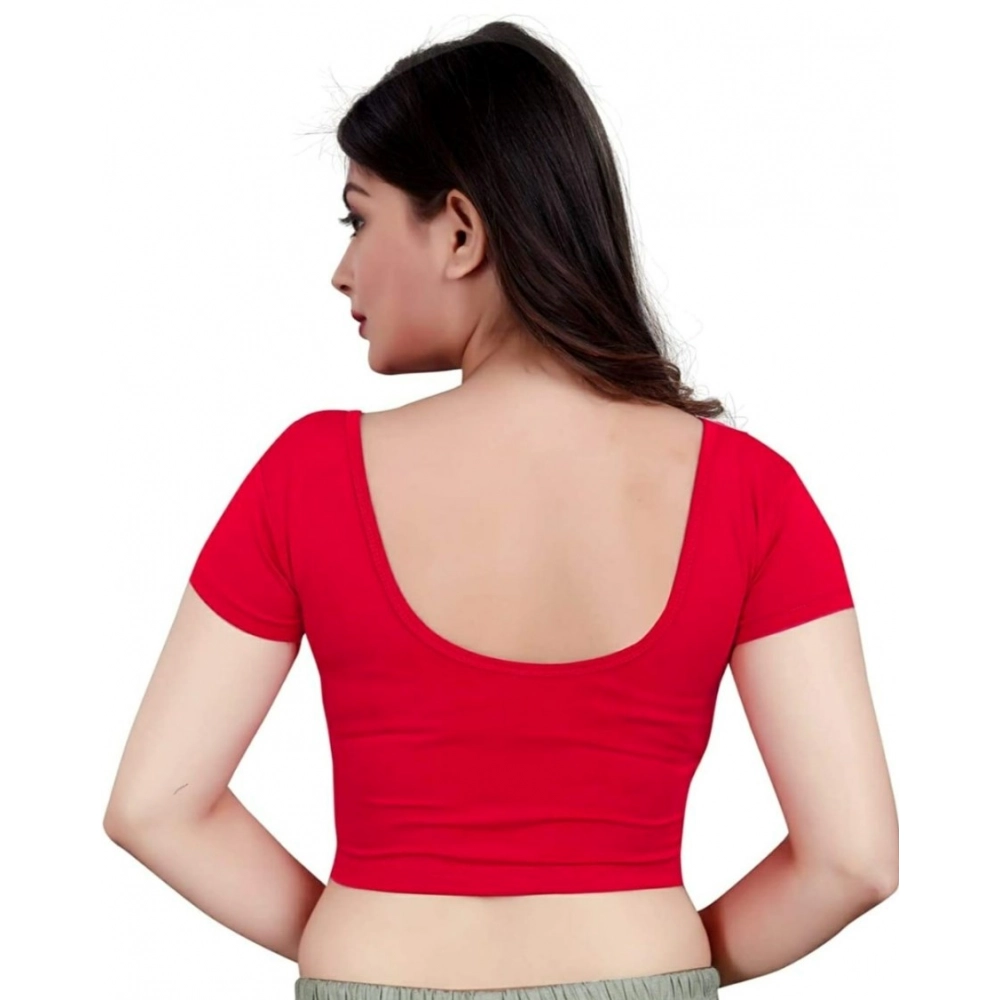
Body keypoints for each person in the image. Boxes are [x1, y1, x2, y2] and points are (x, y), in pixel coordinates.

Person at [102, 19, 898, 1000]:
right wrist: (660, 967)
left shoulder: (308, 476)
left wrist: (360, 935)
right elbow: (852, 860)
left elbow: (155, 806)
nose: (342, 272)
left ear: (460, 232)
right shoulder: (750, 491)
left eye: (357, 220)